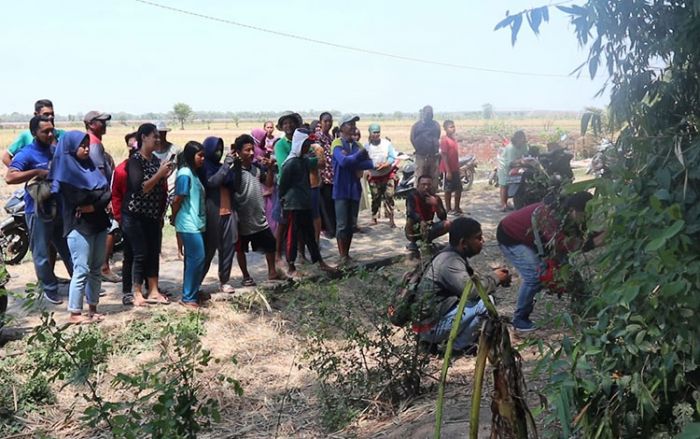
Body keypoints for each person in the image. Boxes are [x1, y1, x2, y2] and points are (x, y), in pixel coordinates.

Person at [497, 192, 596, 331]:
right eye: (585, 214)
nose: (587, 217)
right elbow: (562, 244)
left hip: (535, 239)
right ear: (573, 210)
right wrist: (594, 242)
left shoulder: (567, 214)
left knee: (569, 271)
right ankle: (520, 319)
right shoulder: (551, 216)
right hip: (511, 236)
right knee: (534, 277)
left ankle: (584, 306)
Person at [4, 116, 73, 304]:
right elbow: (10, 177)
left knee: (67, 248)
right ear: (34, 133)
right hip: (37, 210)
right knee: (41, 252)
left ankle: (80, 285)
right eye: (45, 131)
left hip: (58, 208)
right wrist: (36, 172)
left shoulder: (54, 150)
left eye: (52, 130)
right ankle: (49, 289)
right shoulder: (27, 153)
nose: (50, 134)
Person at [417, 217, 511, 354]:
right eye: (478, 238)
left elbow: (469, 283)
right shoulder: (450, 262)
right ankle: (459, 347)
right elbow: (472, 291)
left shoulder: (450, 254)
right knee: (485, 302)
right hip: (431, 328)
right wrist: (496, 278)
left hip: (428, 322)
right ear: (463, 243)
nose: (482, 241)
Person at [50, 131, 111, 324]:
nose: (86, 149)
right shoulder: (66, 173)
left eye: (87, 145)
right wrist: (97, 197)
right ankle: (75, 313)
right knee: (81, 268)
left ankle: (93, 308)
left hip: (99, 224)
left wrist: (93, 204)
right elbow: (78, 198)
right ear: (70, 148)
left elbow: (107, 192)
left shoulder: (91, 168)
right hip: (78, 227)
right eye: (82, 146)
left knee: (95, 268)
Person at [121, 123, 172, 306]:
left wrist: (164, 173)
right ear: (143, 137)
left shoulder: (155, 160)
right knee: (139, 253)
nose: (158, 140)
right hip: (134, 216)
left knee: (152, 253)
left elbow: (156, 186)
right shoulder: (135, 160)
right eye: (155, 137)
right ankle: (135, 292)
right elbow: (139, 188)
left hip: (152, 216)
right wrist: (159, 175)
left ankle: (153, 290)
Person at [279, 128, 336, 276]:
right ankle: (291, 266)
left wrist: (321, 152)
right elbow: (283, 185)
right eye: (305, 144)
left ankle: (319, 261)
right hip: (293, 205)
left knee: (310, 234)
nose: (307, 147)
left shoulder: (304, 160)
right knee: (292, 235)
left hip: (305, 202)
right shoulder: (290, 163)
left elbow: (319, 163)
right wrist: (282, 204)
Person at [231, 134, 284, 284]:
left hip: (258, 217)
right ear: (239, 152)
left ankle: (272, 272)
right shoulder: (234, 171)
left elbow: (267, 184)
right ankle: (246, 276)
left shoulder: (256, 168)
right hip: (243, 218)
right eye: (247, 150)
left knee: (269, 244)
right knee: (241, 249)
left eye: (252, 149)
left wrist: (271, 169)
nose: (252, 153)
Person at [332, 115, 374, 265]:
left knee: (351, 224)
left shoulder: (357, 146)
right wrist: (357, 158)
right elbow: (343, 162)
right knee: (342, 225)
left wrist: (353, 160)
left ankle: (346, 254)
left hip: (354, 190)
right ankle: (342, 255)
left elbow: (369, 163)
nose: (353, 126)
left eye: (354, 124)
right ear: (342, 127)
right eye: (350, 124)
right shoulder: (337, 143)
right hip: (341, 189)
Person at [171, 141, 207, 309]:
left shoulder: (193, 172)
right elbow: (178, 198)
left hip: (195, 222)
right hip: (187, 222)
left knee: (194, 259)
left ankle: (192, 291)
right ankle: (188, 297)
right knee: (197, 258)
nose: (202, 159)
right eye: (199, 155)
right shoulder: (185, 173)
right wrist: (174, 215)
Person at [201, 136, 237, 293]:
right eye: (216, 149)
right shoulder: (204, 167)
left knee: (228, 248)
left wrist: (232, 166)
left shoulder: (222, 166)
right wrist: (226, 166)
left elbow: (232, 182)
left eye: (221, 149)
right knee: (208, 250)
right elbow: (213, 182)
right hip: (212, 214)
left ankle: (224, 280)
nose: (219, 152)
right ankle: (196, 283)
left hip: (229, 212)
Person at [273, 111, 305, 264]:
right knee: (283, 222)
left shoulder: (301, 141)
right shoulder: (280, 144)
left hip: (300, 187)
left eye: (291, 122)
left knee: (301, 222)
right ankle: (278, 255)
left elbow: (315, 162)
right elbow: (283, 165)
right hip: (286, 187)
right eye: (285, 123)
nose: (288, 125)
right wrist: (302, 161)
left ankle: (301, 253)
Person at [111, 132, 138, 305]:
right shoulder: (121, 170)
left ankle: (144, 288)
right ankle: (128, 291)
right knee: (129, 256)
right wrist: (121, 218)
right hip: (129, 219)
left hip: (147, 219)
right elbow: (116, 196)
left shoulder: (152, 166)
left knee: (146, 256)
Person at [2, 99, 65, 167]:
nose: (50, 117)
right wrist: (21, 173)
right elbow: (6, 157)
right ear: (36, 114)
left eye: (52, 114)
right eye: (46, 114)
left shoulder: (62, 135)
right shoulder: (26, 136)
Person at [405, 175, 451, 253]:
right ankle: (413, 243)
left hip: (428, 228)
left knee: (448, 224)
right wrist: (421, 221)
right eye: (423, 184)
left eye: (429, 185)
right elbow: (411, 212)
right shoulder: (412, 196)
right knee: (410, 220)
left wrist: (436, 205)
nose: (426, 187)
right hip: (414, 229)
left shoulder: (435, 198)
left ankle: (428, 241)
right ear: (418, 185)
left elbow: (443, 217)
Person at [365, 123, 397, 227]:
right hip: (374, 176)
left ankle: (391, 219)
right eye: (374, 132)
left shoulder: (386, 143)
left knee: (389, 196)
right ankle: (374, 218)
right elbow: (364, 161)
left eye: (378, 132)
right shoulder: (366, 146)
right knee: (375, 197)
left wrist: (385, 164)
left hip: (387, 174)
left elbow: (392, 157)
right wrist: (371, 167)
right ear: (370, 133)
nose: (376, 134)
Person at [251, 128, 278, 233]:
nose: (263, 139)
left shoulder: (262, 149)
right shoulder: (256, 149)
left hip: (267, 185)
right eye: (262, 137)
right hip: (263, 187)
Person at [410, 105, 441, 192]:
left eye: (431, 113)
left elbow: (437, 136)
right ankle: (418, 197)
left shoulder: (436, 125)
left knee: (433, 177)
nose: (429, 115)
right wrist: (419, 149)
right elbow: (412, 139)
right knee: (420, 176)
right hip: (421, 156)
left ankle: (432, 195)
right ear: (423, 113)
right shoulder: (416, 126)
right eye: (427, 113)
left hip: (433, 156)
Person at [497, 130, 528, 211]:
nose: (522, 140)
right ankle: (503, 204)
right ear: (516, 139)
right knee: (504, 185)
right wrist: (521, 161)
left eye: (523, 138)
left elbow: (526, 155)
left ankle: (508, 203)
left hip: (515, 165)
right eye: (520, 138)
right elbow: (511, 162)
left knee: (512, 183)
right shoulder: (511, 148)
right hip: (504, 166)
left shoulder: (524, 145)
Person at [317, 112, 336, 239]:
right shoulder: (317, 137)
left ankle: (332, 229)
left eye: (330, 121)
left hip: (332, 175)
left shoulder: (330, 137)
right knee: (326, 205)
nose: (328, 123)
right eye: (325, 121)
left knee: (331, 204)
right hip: (323, 176)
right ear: (320, 122)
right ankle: (329, 230)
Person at [439, 120, 463, 214]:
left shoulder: (453, 139)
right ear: (445, 129)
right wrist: (448, 171)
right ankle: (448, 209)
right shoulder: (444, 140)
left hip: (455, 168)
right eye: (450, 127)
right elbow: (444, 156)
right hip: (447, 168)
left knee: (459, 188)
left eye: (453, 126)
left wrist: (458, 168)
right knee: (448, 189)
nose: (453, 129)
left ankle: (457, 207)